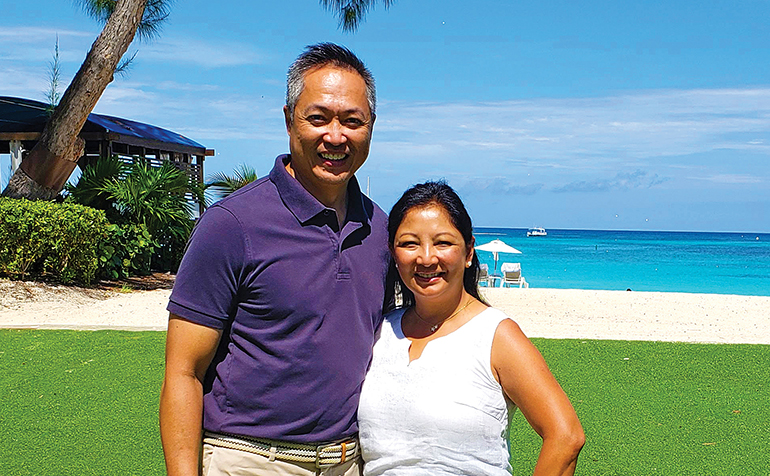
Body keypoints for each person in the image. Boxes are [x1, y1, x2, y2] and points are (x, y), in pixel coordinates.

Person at [159, 43, 390, 476]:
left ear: (371, 126)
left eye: (352, 121)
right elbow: (183, 372)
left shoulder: (379, 229)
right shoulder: (232, 223)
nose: (335, 136)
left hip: (350, 461)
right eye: (318, 118)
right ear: (289, 120)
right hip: (250, 460)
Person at [358, 181, 585, 475]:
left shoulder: (495, 335)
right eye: (410, 243)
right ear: (394, 254)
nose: (427, 258)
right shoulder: (380, 332)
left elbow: (565, 437)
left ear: (467, 253)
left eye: (443, 243)